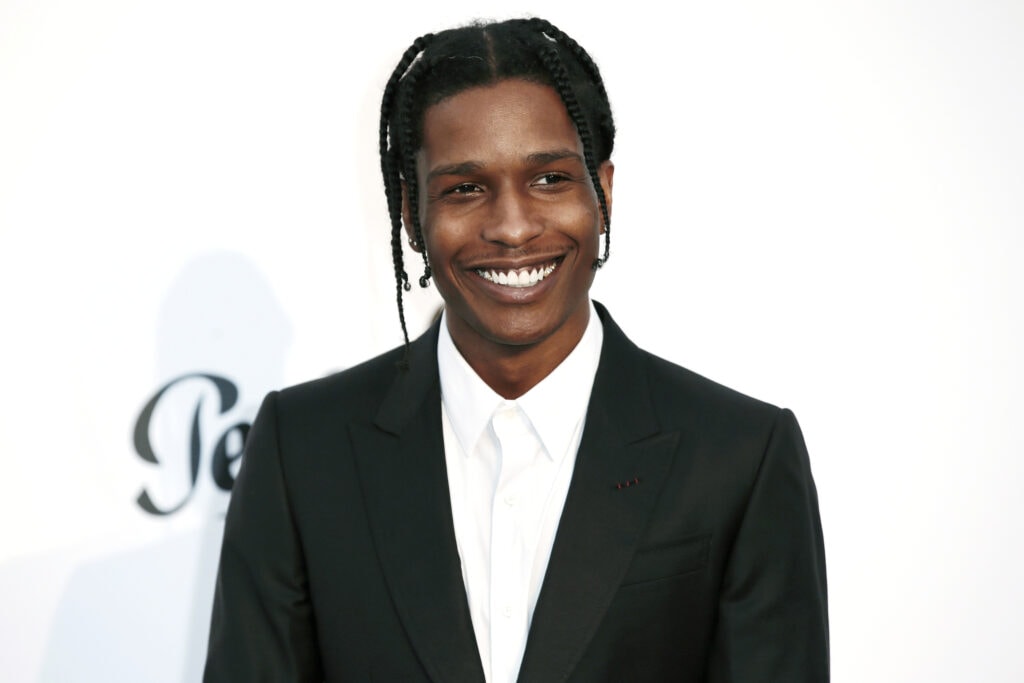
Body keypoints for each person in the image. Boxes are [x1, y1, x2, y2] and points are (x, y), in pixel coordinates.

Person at [203, 17, 829, 682]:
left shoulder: (739, 456)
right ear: (412, 214)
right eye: (465, 188)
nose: (511, 227)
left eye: (550, 179)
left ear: (603, 192)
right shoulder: (303, 453)